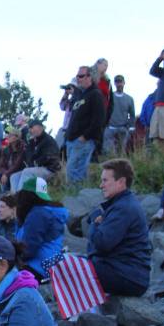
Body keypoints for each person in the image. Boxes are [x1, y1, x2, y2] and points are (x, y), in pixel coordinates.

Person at [87, 159, 151, 297]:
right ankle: (89, 313)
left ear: (121, 182)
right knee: (71, 262)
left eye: (105, 180)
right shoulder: (123, 203)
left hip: (128, 276)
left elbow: (102, 243)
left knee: (66, 266)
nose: (101, 185)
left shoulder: (123, 208)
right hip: (127, 272)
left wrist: (95, 223)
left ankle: (81, 315)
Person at [14, 177, 67, 279]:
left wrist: (12, 259)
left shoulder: (38, 214)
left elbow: (28, 248)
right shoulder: (50, 211)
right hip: (50, 265)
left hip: (36, 267)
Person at [64, 65, 106, 183]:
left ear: (90, 77)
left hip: (83, 141)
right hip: (72, 140)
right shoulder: (80, 95)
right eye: (77, 76)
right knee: (71, 172)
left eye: (81, 76)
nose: (78, 78)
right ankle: (74, 197)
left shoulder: (95, 95)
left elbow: (99, 120)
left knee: (75, 171)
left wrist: (85, 137)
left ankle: (79, 198)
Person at [13, 119, 61, 192]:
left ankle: (20, 198)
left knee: (27, 172)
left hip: (49, 169)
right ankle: (14, 197)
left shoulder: (48, 140)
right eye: (29, 128)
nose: (30, 130)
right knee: (14, 176)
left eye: (32, 127)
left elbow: (50, 157)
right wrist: (30, 145)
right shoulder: (33, 141)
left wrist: (35, 162)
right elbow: (29, 158)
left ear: (40, 127)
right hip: (38, 168)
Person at [103, 75, 135, 155]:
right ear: (115, 84)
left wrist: (131, 127)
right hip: (110, 127)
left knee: (121, 152)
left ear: (124, 83)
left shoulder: (129, 99)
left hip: (123, 128)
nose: (119, 84)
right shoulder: (109, 98)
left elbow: (132, 114)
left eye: (120, 82)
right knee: (109, 152)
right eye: (117, 82)